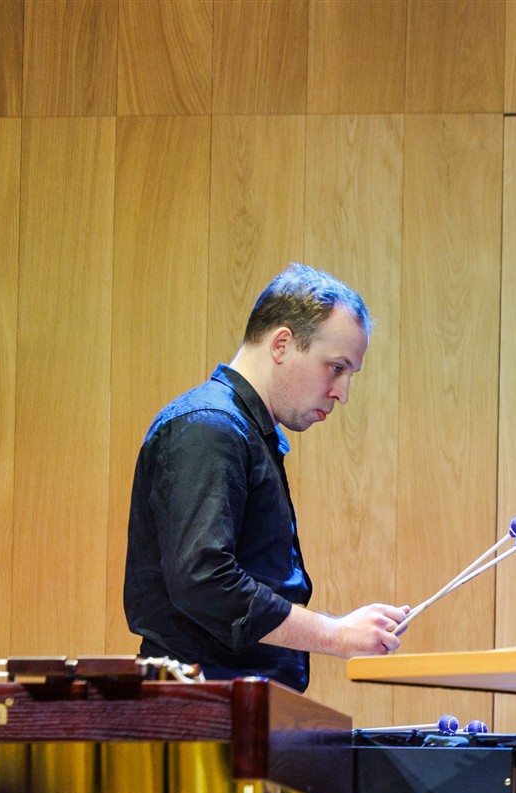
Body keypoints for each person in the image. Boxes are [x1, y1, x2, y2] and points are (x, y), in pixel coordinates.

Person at [124, 263, 406, 692]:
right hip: (203, 714)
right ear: (282, 344)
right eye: (336, 368)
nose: (343, 393)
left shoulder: (241, 431)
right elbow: (205, 582)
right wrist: (336, 634)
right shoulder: (210, 427)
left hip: (232, 708)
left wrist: (339, 629)